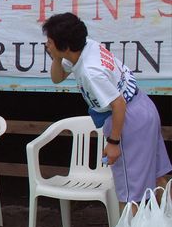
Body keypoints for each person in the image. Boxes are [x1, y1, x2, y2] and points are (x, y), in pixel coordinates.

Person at [43, 13, 171, 208]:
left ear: (65, 46)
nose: (47, 44)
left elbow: (118, 105)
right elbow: (57, 78)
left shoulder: (91, 71)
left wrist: (113, 142)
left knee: (130, 196)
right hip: (144, 107)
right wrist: (55, 57)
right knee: (158, 178)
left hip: (129, 120)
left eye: (50, 41)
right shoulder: (87, 46)